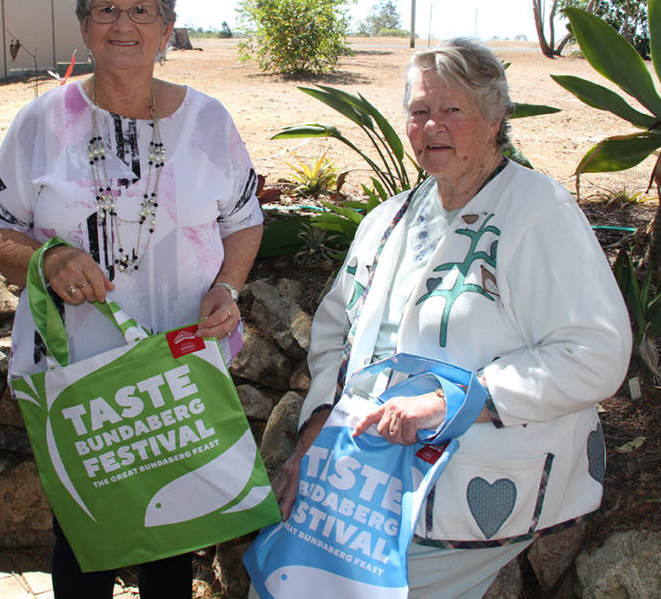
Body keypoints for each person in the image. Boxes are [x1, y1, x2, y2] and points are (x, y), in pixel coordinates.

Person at [270, 38, 632, 598]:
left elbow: (594, 354)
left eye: (452, 110)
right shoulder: (390, 218)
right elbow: (336, 334)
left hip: (470, 482)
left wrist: (450, 402)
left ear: (495, 117)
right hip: (360, 475)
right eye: (419, 111)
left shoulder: (539, 213)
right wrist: (315, 430)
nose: (431, 125)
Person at [0, 0, 264, 598]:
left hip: (176, 372)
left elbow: (244, 220)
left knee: (175, 533)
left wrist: (228, 285)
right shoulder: (40, 124)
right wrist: (48, 258)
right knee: (81, 536)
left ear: (166, 29)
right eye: (107, 9)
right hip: (78, 376)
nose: (123, 25)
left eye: (141, 10)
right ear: (84, 24)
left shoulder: (209, 122)